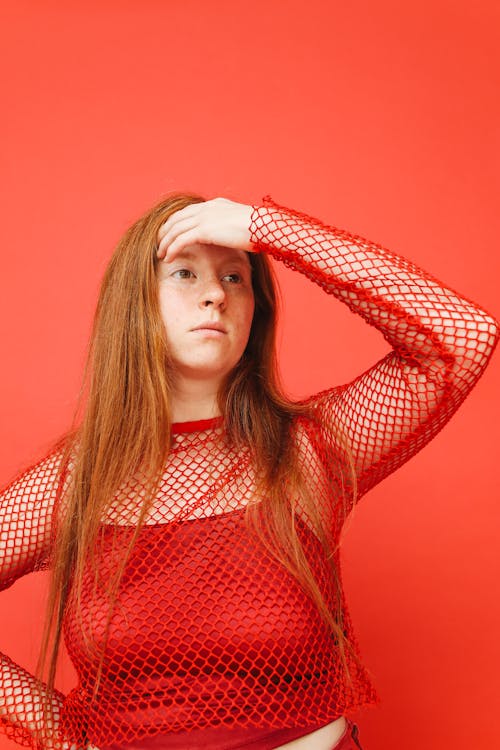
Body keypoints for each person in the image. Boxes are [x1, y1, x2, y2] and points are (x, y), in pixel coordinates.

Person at [0, 192, 498, 750]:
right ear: (133, 304)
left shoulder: (310, 451)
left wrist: (267, 228)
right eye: (185, 273)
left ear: (256, 310)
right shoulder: (76, 483)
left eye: (235, 277)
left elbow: (462, 336)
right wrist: (70, 741)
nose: (214, 294)